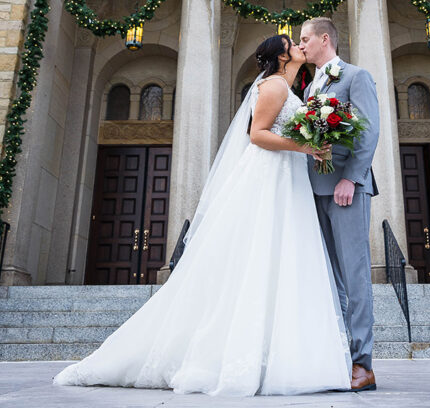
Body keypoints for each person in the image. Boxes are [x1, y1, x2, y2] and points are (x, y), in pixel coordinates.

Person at [53, 34, 351, 396]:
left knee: (280, 257)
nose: (299, 46)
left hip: (287, 178)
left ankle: (279, 353)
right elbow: (256, 135)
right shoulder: (273, 86)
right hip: (269, 175)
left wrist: (312, 145)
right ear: (281, 56)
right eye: (292, 43)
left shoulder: (290, 88)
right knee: (258, 253)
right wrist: (305, 146)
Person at [300, 17, 380, 393]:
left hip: (346, 190)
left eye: (305, 39)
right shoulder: (310, 84)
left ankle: (362, 364)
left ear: (324, 39)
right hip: (314, 190)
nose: (301, 46)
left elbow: (369, 129)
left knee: (355, 275)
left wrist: (352, 177)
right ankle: (337, 356)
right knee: (330, 279)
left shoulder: (355, 77)